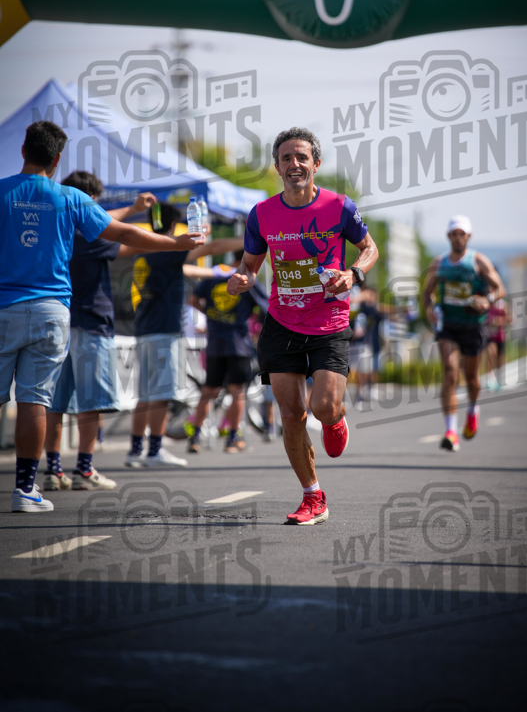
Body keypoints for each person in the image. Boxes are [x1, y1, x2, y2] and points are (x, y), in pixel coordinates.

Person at [0, 121, 204, 513]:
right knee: (35, 401)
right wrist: (174, 242)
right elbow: (125, 233)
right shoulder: (71, 200)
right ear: (57, 159)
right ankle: (24, 490)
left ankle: (53, 472)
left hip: (5, 306)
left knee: (45, 401)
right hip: (52, 311)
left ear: (23, 150)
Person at [227, 127, 378, 524]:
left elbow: (369, 248)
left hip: (328, 321)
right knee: (291, 415)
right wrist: (240, 277)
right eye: (286, 158)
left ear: (316, 164)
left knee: (322, 407)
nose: (294, 164)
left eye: (301, 157)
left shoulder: (340, 207)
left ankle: (335, 418)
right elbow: (250, 263)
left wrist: (354, 275)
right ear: (276, 166)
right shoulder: (261, 214)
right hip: (281, 323)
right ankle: (313, 497)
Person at [44, 171, 159, 492]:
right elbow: (127, 241)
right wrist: (137, 212)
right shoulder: (91, 234)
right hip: (91, 324)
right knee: (90, 403)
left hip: (57, 324)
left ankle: (53, 470)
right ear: (89, 201)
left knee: (52, 403)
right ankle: (84, 468)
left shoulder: (58, 230)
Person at [125, 203, 243, 468]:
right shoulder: (167, 248)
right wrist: (252, 238)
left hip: (144, 331)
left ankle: (135, 451)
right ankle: (155, 451)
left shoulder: (146, 252)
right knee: (160, 395)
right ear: (172, 226)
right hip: (164, 332)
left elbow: (187, 268)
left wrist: (214, 268)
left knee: (144, 396)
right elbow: (211, 248)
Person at [421, 215, 505, 452]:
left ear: (468, 236)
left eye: (462, 234)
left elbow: (500, 289)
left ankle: (473, 410)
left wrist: (486, 300)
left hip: (472, 326)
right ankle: (450, 431)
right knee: (449, 373)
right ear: (448, 236)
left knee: (471, 379)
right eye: (454, 234)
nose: (458, 238)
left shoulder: (478, 261)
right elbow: (427, 293)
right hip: (448, 326)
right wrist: (429, 310)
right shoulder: (440, 263)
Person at [188, 249, 269, 454]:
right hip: (238, 343)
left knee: (208, 391)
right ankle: (233, 438)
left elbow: (192, 299)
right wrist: (258, 330)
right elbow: (267, 309)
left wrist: (210, 314)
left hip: (215, 341)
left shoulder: (215, 276)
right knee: (236, 392)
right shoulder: (247, 280)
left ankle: (195, 437)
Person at [485, 291, 512, 390]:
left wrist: (499, 320)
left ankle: (499, 378)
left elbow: (510, 320)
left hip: (500, 336)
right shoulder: (487, 303)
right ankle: (489, 379)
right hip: (490, 335)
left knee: (500, 358)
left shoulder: (503, 305)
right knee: (491, 353)